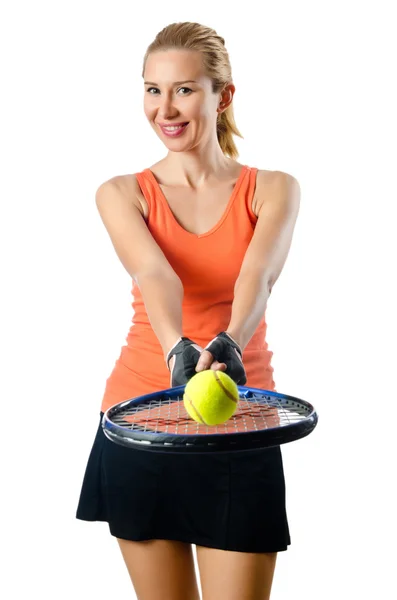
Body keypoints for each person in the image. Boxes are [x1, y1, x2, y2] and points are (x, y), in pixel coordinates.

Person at [76, 21, 300, 600]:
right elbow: (156, 274)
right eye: (153, 89)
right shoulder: (121, 192)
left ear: (223, 95)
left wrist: (228, 339)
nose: (165, 107)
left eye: (184, 89)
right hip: (141, 421)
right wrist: (179, 346)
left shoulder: (273, 188)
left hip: (240, 425)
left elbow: (260, 274)